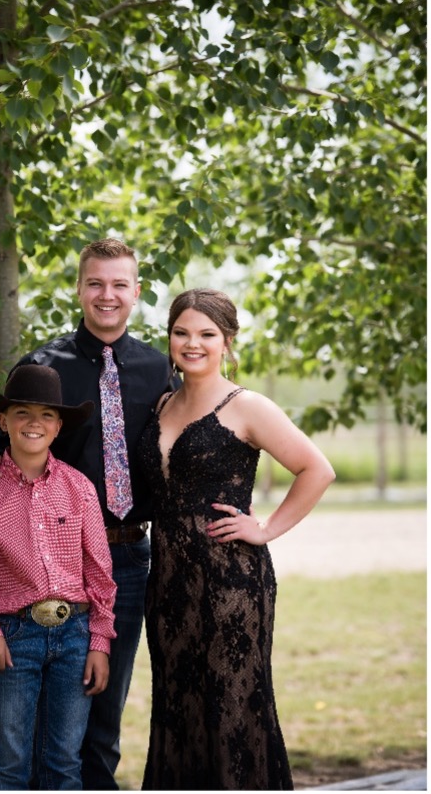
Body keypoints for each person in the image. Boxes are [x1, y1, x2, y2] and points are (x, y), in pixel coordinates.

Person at [0, 238, 180, 790]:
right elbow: (4, 444)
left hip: (126, 556)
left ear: (137, 292)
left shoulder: (160, 369)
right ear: (80, 288)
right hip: (51, 563)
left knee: (102, 708)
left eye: (119, 284)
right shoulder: (43, 366)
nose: (107, 295)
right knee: (39, 722)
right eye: (95, 283)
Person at [138, 288, 336, 791]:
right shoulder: (162, 403)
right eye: (181, 332)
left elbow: (317, 469)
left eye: (206, 334)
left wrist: (265, 529)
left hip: (232, 585)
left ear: (227, 341)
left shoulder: (247, 406)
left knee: (232, 710)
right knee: (177, 709)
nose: (192, 343)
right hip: (167, 587)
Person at [0, 364, 117, 790]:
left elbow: (99, 573)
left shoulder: (79, 489)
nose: (34, 423)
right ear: (3, 422)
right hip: (12, 637)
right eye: (22, 412)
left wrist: (99, 642)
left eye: (46, 415)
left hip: (75, 637)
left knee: (64, 761)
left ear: (58, 427)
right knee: (9, 762)